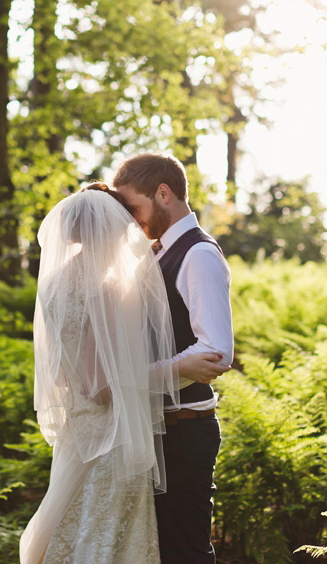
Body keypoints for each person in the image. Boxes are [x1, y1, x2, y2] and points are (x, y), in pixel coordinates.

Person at [20, 183, 216, 563]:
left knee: (73, 532)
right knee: (105, 541)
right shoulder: (104, 287)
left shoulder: (55, 284)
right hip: (111, 439)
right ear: (110, 228)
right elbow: (102, 388)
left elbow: (65, 376)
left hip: (78, 433)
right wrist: (180, 369)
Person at [113, 153, 233, 564]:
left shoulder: (197, 254)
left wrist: (134, 378)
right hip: (161, 431)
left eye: (134, 207)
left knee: (187, 553)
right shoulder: (159, 252)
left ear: (163, 193)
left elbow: (214, 352)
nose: (131, 219)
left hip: (186, 432)